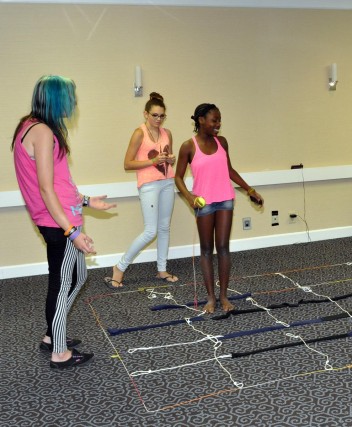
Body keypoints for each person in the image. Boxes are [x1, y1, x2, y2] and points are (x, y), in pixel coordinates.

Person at [12, 75, 116, 368]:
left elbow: (58, 184)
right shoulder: (43, 132)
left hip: (60, 217)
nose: (74, 102)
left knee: (77, 277)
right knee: (62, 285)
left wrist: (87, 201)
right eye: (70, 97)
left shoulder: (29, 125)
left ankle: (51, 336)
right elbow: (45, 189)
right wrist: (71, 231)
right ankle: (59, 351)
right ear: (58, 99)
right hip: (60, 223)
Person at [174, 103, 263, 313]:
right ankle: (211, 299)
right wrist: (189, 197)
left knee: (223, 248)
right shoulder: (188, 146)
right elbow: (177, 177)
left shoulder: (222, 142)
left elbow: (229, 170)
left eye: (219, 120)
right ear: (201, 120)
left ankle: (224, 297)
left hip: (225, 200)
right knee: (206, 250)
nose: (218, 124)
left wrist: (250, 190)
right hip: (203, 204)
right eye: (214, 120)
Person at [105, 92, 178, 288]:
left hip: (167, 181)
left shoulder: (167, 133)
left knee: (164, 228)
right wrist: (152, 161)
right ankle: (119, 267)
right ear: (146, 114)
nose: (158, 119)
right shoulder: (139, 133)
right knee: (150, 230)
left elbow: (169, 158)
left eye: (162, 115)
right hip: (148, 184)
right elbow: (127, 164)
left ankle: (162, 269)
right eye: (155, 115)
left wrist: (170, 160)